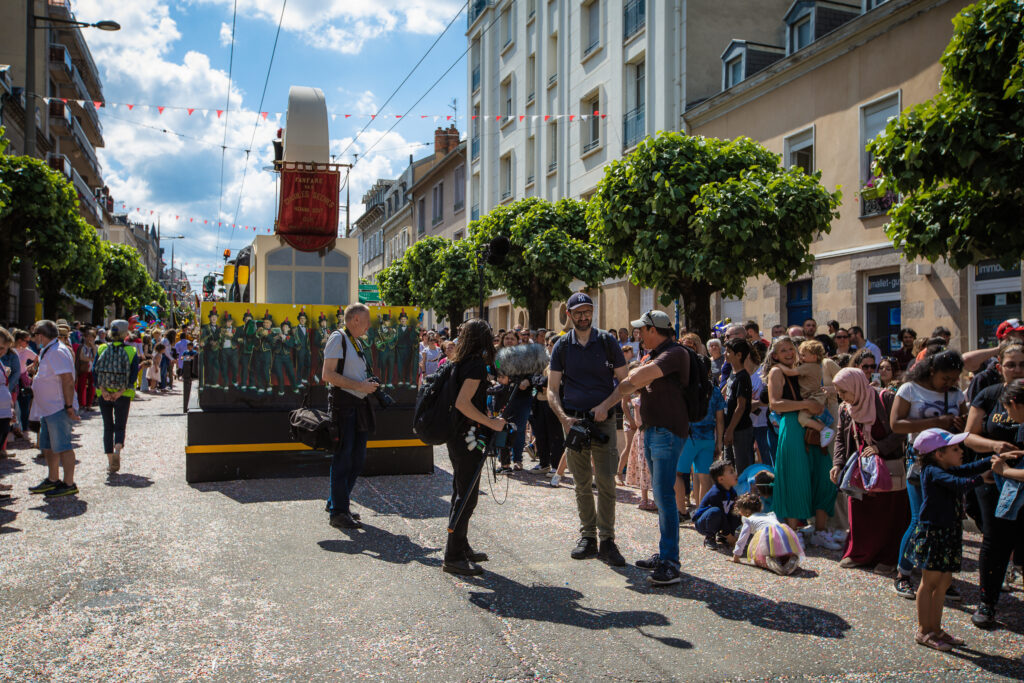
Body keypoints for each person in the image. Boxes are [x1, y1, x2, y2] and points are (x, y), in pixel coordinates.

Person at [547, 292, 628, 567]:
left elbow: (625, 381)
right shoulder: (562, 346)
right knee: (581, 482)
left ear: (592, 313)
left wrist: (606, 405)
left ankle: (607, 540)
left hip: (604, 421)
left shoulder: (607, 341)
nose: (583, 317)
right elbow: (552, 389)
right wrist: (563, 418)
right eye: (578, 312)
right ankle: (588, 537)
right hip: (574, 423)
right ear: (569, 315)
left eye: (587, 311)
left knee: (606, 481)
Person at [903, 428, 995, 652]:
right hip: (934, 533)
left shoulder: (945, 467)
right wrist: (982, 478)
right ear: (938, 454)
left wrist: (993, 459)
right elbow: (959, 483)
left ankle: (936, 629)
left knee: (943, 583)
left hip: (949, 532)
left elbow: (967, 469)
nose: (961, 451)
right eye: (955, 449)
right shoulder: (932, 471)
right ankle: (924, 631)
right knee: (929, 583)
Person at [616, 310, 691, 585]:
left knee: (664, 496)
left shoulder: (674, 353)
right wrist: (632, 378)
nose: (638, 334)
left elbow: (632, 381)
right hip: (652, 431)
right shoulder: (656, 354)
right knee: (660, 496)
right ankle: (665, 553)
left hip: (666, 432)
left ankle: (671, 562)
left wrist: (633, 377)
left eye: (641, 330)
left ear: (653, 329)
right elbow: (629, 384)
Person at [891, 348, 967, 600]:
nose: (949, 383)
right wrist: (936, 423)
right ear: (932, 371)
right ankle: (903, 574)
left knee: (948, 520)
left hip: (950, 463)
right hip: (920, 462)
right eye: (945, 378)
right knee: (919, 520)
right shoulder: (909, 390)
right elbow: (896, 424)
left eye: (954, 379)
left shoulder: (956, 394)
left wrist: (960, 423)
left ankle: (941, 577)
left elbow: (965, 424)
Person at [963, 346, 1024, 628]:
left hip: (1017, 477)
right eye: (1011, 364)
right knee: (995, 539)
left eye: (1022, 364)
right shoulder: (989, 395)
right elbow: (968, 436)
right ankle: (987, 602)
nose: (1017, 370)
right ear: (999, 366)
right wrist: (995, 445)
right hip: (992, 479)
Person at [762, 337, 841, 550]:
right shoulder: (777, 371)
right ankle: (792, 533)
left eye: (791, 349)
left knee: (823, 475)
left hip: (812, 424)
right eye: (783, 350)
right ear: (775, 355)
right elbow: (775, 404)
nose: (789, 353)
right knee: (796, 478)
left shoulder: (802, 367)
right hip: (793, 425)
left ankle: (820, 531)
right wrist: (806, 404)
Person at [442, 319, 507, 576]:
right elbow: (463, 403)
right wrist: (491, 423)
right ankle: (453, 556)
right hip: (466, 437)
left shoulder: (461, 362)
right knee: (466, 497)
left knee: (461, 492)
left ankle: (461, 546)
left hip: (458, 435)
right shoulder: (475, 365)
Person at [830, 368, 909, 573]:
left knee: (889, 514)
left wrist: (879, 447)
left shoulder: (885, 399)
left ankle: (889, 558)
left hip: (888, 469)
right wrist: (838, 464)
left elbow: (902, 430)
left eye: (843, 391)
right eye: (838, 392)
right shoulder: (845, 408)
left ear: (856, 386)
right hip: (861, 471)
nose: (841, 396)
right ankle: (860, 554)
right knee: (860, 512)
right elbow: (840, 439)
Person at [322, 303, 379, 531]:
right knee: (344, 459)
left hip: (358, 405)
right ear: (355, 319)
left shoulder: (355, 341)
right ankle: (338, 512)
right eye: (366, 321)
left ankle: (337, 502)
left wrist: (367, 385)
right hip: (344, 407)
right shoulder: (338, 338)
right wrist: (360, 386)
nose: (369, 325)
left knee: (356, 459)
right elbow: (327, 374)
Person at [27, 320, 80, 498]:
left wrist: (69, 406)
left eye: (35, 335)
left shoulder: (57, 351)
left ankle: (69, 483)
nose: (34, 339)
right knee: (48, 447)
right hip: (49, 408)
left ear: (41, 336)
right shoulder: (49, 349)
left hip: (58, 406)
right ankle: (53, 479)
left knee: (63, 446)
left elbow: (67, 379)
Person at [94, 320, 141, 474]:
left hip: (104, 392)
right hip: (123, 393)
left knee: (108, 426)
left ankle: (110, 462)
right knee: (120, 425)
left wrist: (103, 390)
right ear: (125, 333)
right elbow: (133, 376)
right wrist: (120, 392)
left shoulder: (102, 348)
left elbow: (95, 371)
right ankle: (117, 450)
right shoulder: (131, 351)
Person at [680, 367, 726, 515]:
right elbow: (720, 419)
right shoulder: (715, 391)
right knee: (704, 477)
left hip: (689, 438)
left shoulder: (687, 389)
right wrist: (719, 442)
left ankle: (680, 511)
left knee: (678, 474)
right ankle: (702, 513)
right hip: (708, 438)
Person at [776, 340, 836, 448]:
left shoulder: (808, 366)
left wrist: (779, 365)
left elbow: (790, 372)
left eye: (803, 355)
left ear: (814, 357)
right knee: (812, 418)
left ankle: (824, 430)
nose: (801, 358)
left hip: (813, 398)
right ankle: (824, 429)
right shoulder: (816, 366)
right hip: (816, 397)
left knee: (802, 419)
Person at [730, 492, 805, 575]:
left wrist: (736, 556)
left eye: (740, 511)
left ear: (747, 511)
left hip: (766, 536)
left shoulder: (749, 520)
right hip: (783, 533)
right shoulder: (770, 515)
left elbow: (742, 539)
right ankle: (788, 559)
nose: (740, 514)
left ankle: (771, 562)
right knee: (781, 551)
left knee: (759, 557)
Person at [693, 459, 740, 550]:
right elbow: (720, 514)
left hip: (720, 519)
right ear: (721, 479)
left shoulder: (732, 492)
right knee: (715, 511)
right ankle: (710, 537)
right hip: (704, 523)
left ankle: (723, 536)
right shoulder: (715, 493)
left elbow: (731, 512)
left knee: (738, 511)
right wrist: (730, 537)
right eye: (731, 472)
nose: (735, 474)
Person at [722, 339, 755, 473]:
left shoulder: (743, 377)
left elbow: (741, 407)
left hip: (740, 429)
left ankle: (744, 487)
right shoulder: (733, 372)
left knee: (741, 467)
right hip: (729, 427)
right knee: (727, 465)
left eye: (729, 352)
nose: (725, 354)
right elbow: (725, 391)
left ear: (739, 355)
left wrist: (730, 430)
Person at [74, 326, 97, 410]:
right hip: (83, 369)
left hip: (92, 369)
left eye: (92, 337)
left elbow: (96, 357)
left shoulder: (95, 347)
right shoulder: (82, 347)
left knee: (92, 387)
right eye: (88, 336)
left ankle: (89, 404)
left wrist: (93, 347)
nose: (90, 339)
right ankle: (81, 404)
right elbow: (81, 357)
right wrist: (91, 359)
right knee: (81, 387)